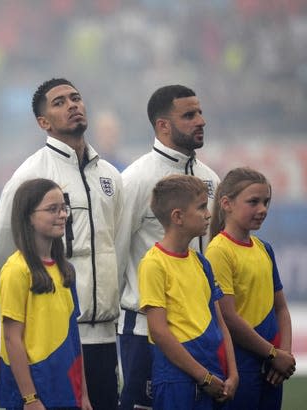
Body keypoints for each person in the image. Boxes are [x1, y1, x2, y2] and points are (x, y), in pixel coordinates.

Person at [0, 78, 122, 409]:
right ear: (43, 122)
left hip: (105, 334)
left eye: (76, 98)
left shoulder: (109, 176)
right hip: (53, 338)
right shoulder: (29, 175)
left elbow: (116, 242)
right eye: (60, 102)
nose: (73, 105)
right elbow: (3, 252)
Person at [116, 84, 221, 409]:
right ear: (163, 125)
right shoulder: (135, 179)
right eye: (189, 115)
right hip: (145, 329)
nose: (200, 120)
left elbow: (211, 255)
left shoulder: (211, 179)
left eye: (200, 112)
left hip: (201, 326)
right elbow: (116, 254)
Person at [139, 174, 238, 409]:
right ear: (178, 217)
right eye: (202, 207)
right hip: (177, 379)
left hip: (214, 373)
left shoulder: (202, 263)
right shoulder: (154, 264)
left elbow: (220, 323)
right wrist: (202, 376)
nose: (208, 214)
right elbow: (159, 331)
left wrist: (233, 373)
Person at [0, 178, 92, 410]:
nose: (62, 215)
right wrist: (30, 398)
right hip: (34, 395)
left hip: (67, 391)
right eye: (52, 209)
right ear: (28, 217)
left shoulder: (65, 269)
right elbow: (12, 339)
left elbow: (73, 339)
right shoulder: (15, 270)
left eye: (63, 208)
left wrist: (84, 396)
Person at [205, 167, 295, 409]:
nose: (263, 209)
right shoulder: (219, 250)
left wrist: (284, 355)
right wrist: (273, 354)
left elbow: (281, 309)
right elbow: (229, 317)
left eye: (266, 202)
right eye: (253, 202)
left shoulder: (264, 248)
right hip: (240, 361)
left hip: (272, 366)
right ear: (227, 203)